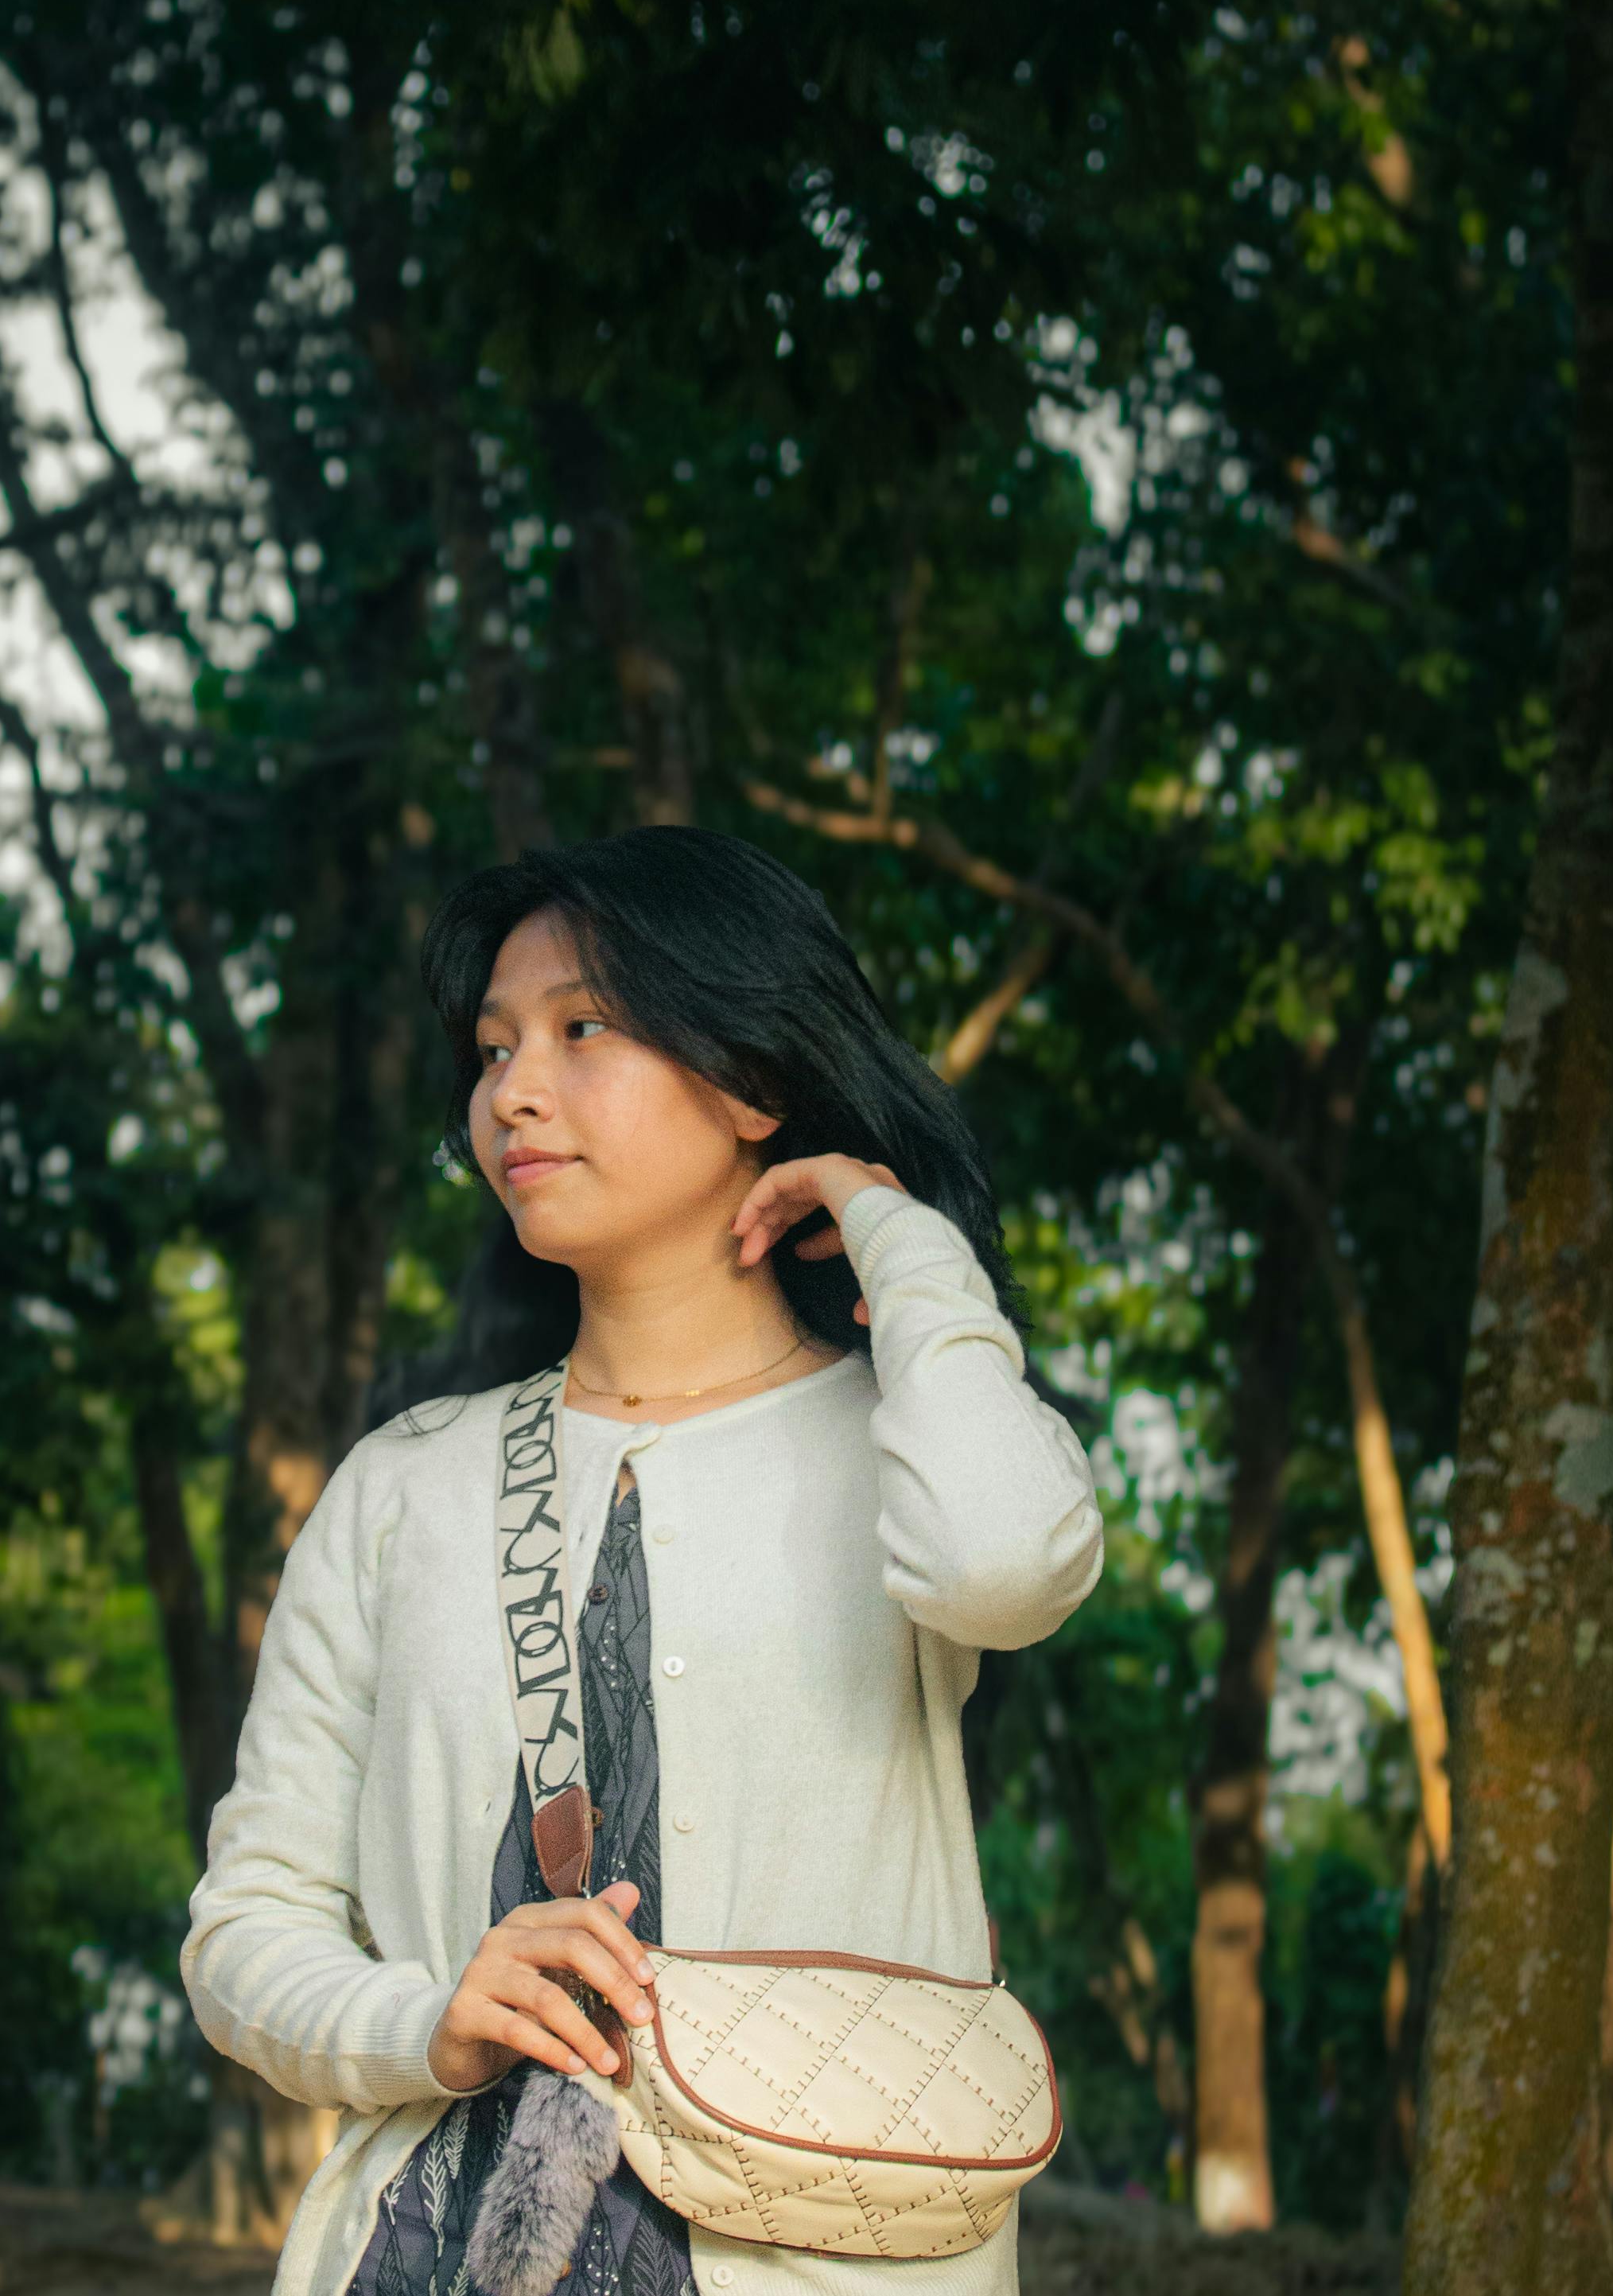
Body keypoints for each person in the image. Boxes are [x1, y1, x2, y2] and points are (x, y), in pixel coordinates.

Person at [181, 827, 1103, 2296]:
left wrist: (891, 1225)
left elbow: (1009, 1560)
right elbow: (246, 1927)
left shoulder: (909, 1443)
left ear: (751, 1082)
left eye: (581, 1027)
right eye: (491, 1049)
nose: (511, 1091)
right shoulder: (402, 1485)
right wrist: (425, 2019)